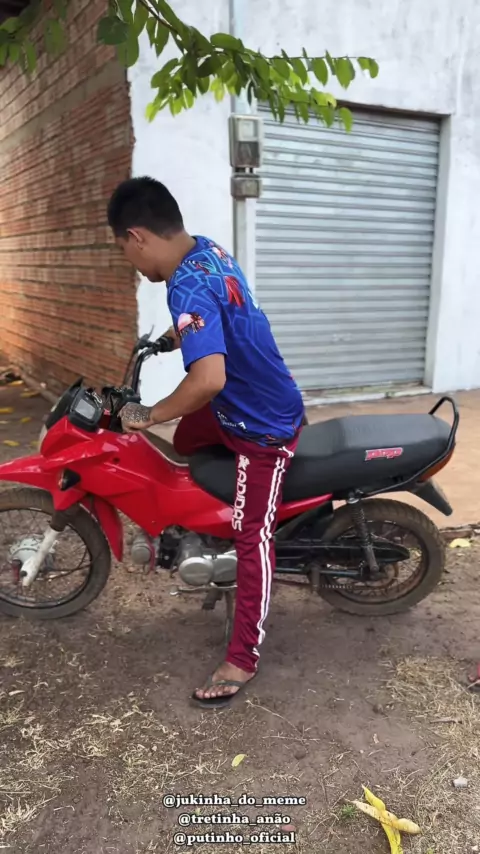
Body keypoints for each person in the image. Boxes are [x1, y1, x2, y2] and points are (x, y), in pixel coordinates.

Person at [107, 177, 305, 708]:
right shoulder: (205, 251)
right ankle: (203, 530)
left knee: (252, 534)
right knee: (187, 439)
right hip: (244, 402)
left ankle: (243, 656)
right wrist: (173, 338)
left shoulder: (185, 285)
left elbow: (208, 380)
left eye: (125, 250)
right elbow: (219, 311)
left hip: (262, 424)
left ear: (137, 236)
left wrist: (149, 413)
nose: (131, 263)